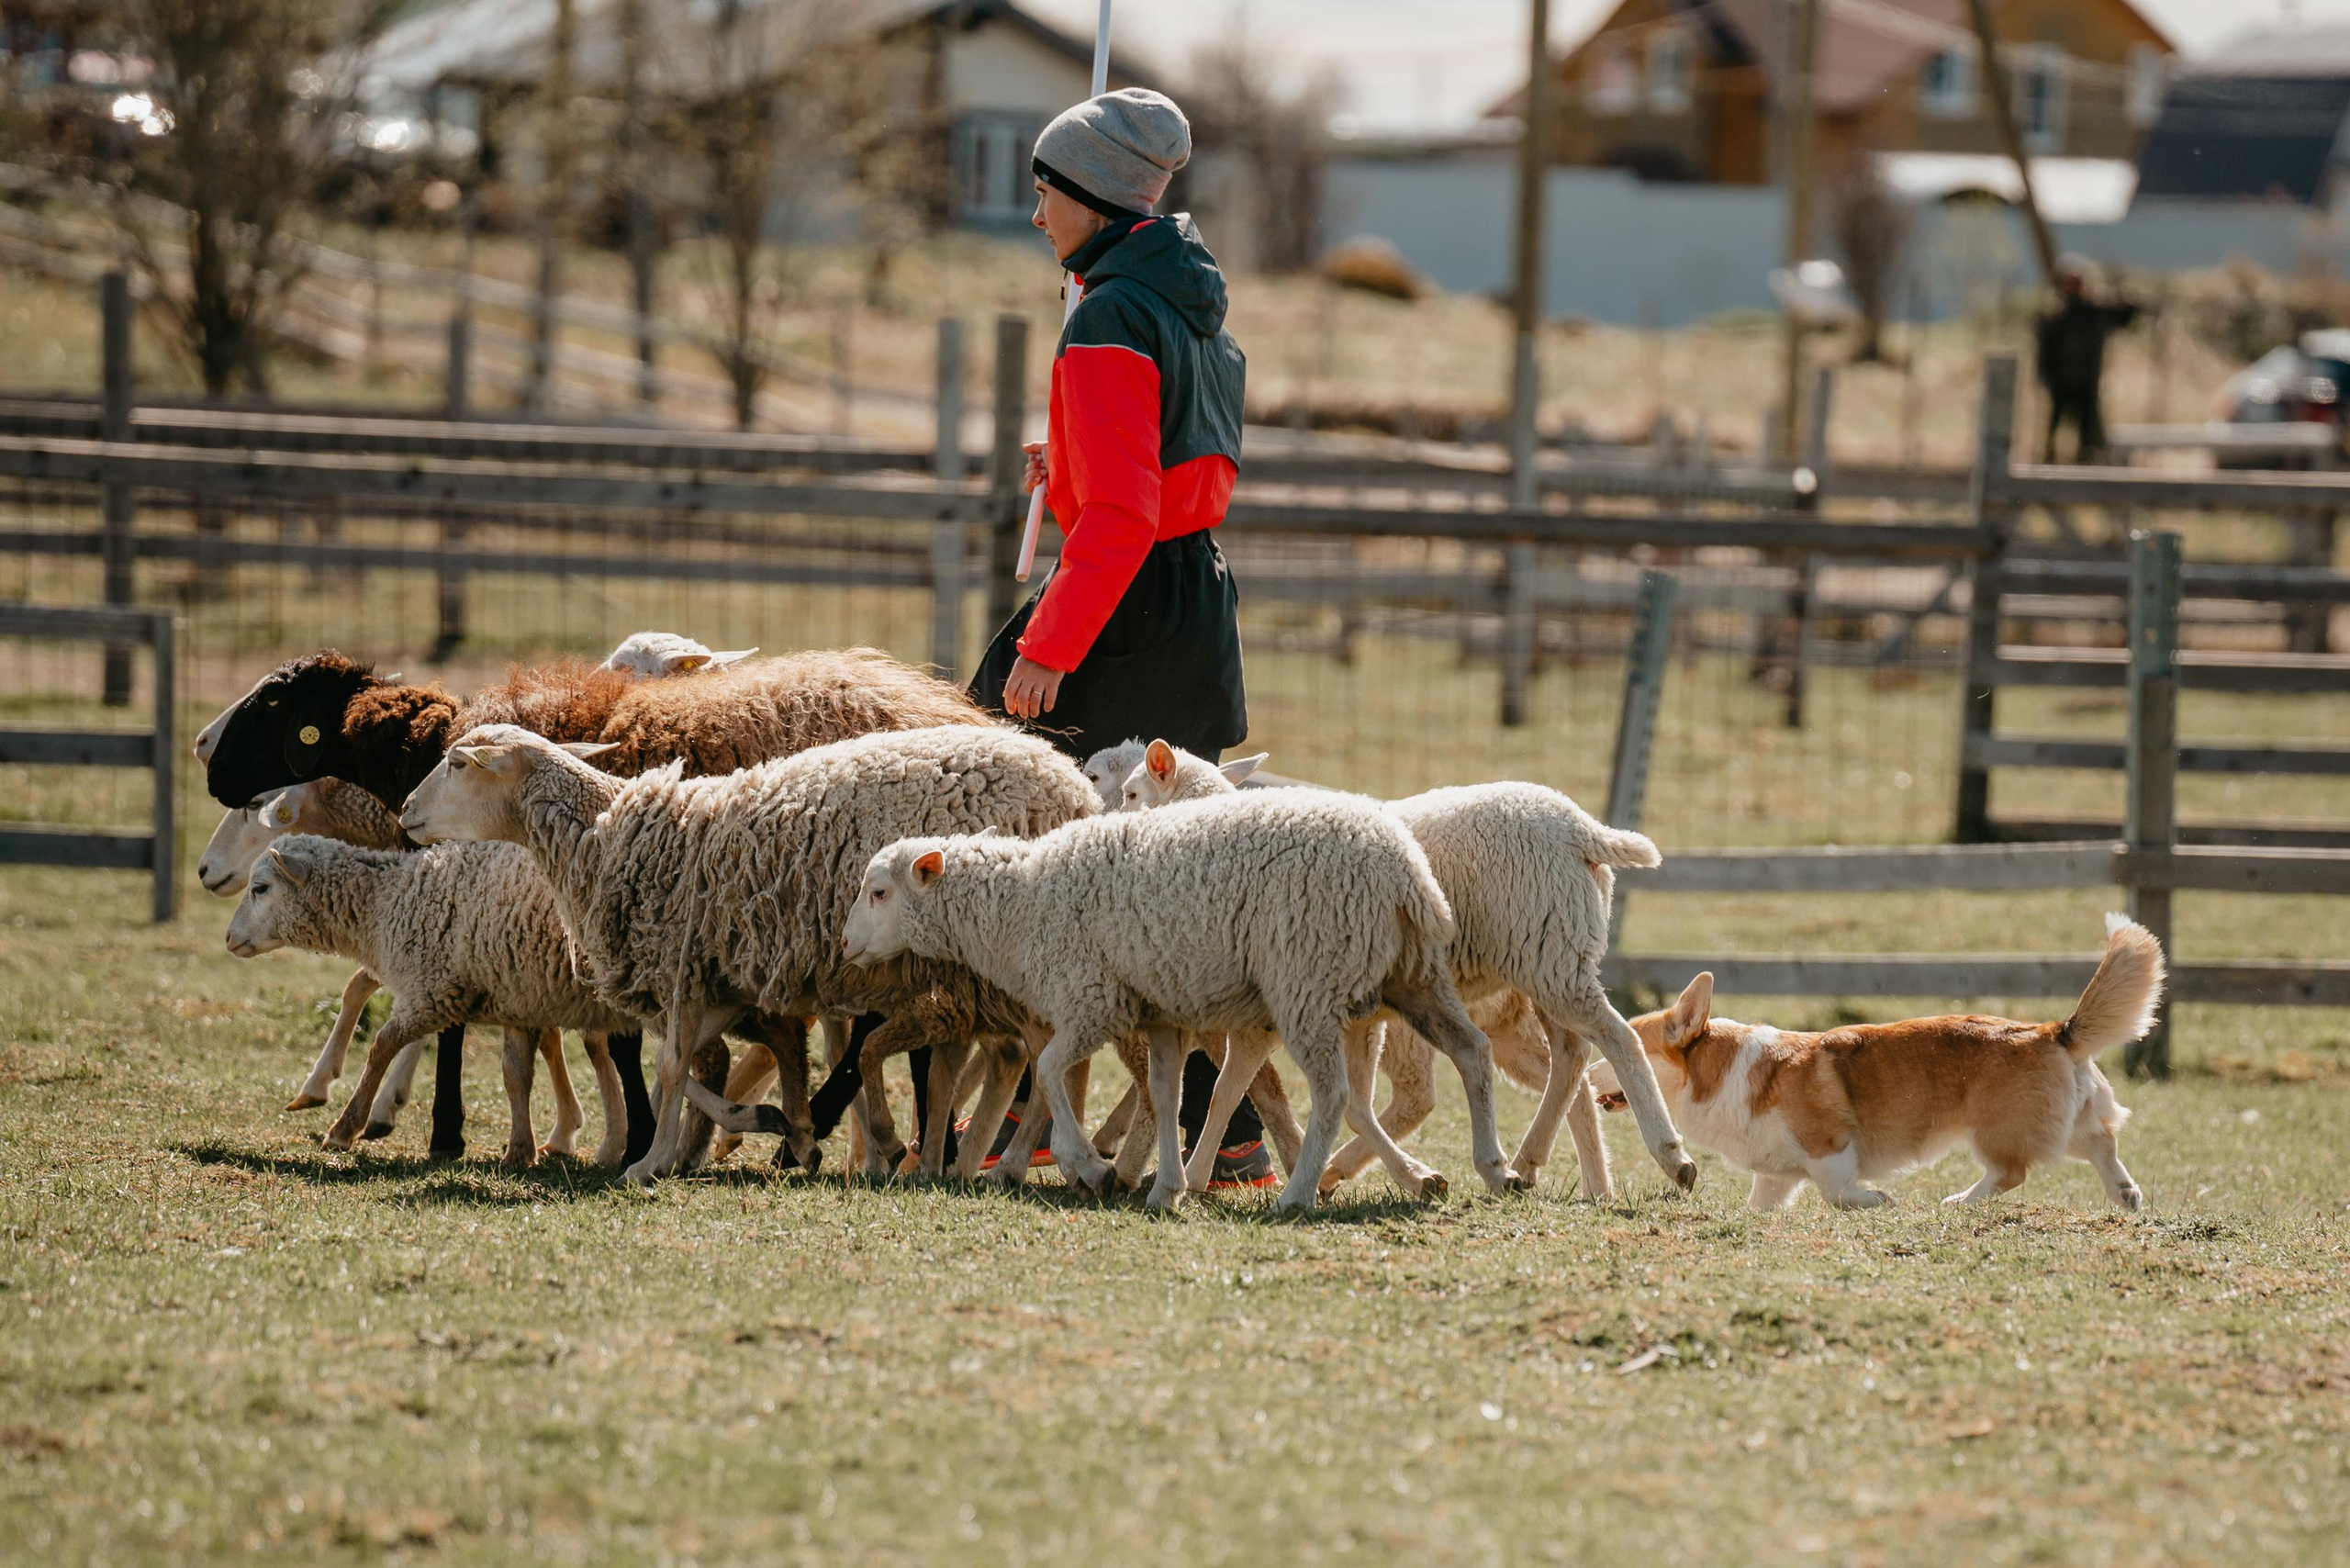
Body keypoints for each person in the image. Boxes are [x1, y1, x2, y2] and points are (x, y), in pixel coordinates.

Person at [968, 86, 1270, 1188]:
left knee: (1031, 844)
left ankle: (1025, 1117)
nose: (1034, 211)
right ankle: (1223, 1137)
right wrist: (1074, 462)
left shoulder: (1104, 316)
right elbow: (1185, 471)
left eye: (1045, 190)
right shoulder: (1189, 302)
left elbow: (1124, 514)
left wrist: (1047, 645)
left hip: (1119, 608)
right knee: (1167, 878)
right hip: (1192, 602)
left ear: (1091, 198)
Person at [2035, 257, 2139, 464]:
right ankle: (2050, 459)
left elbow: (2127, 314)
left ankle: (2084, 461)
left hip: (2086, 384)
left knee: (2087, 433)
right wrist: (2044, 374)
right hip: (2062, 384)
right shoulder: (2057, 318)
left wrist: (2114, 294)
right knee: (2054, 427)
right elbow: (2045, 349)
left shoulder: (2094, 313)